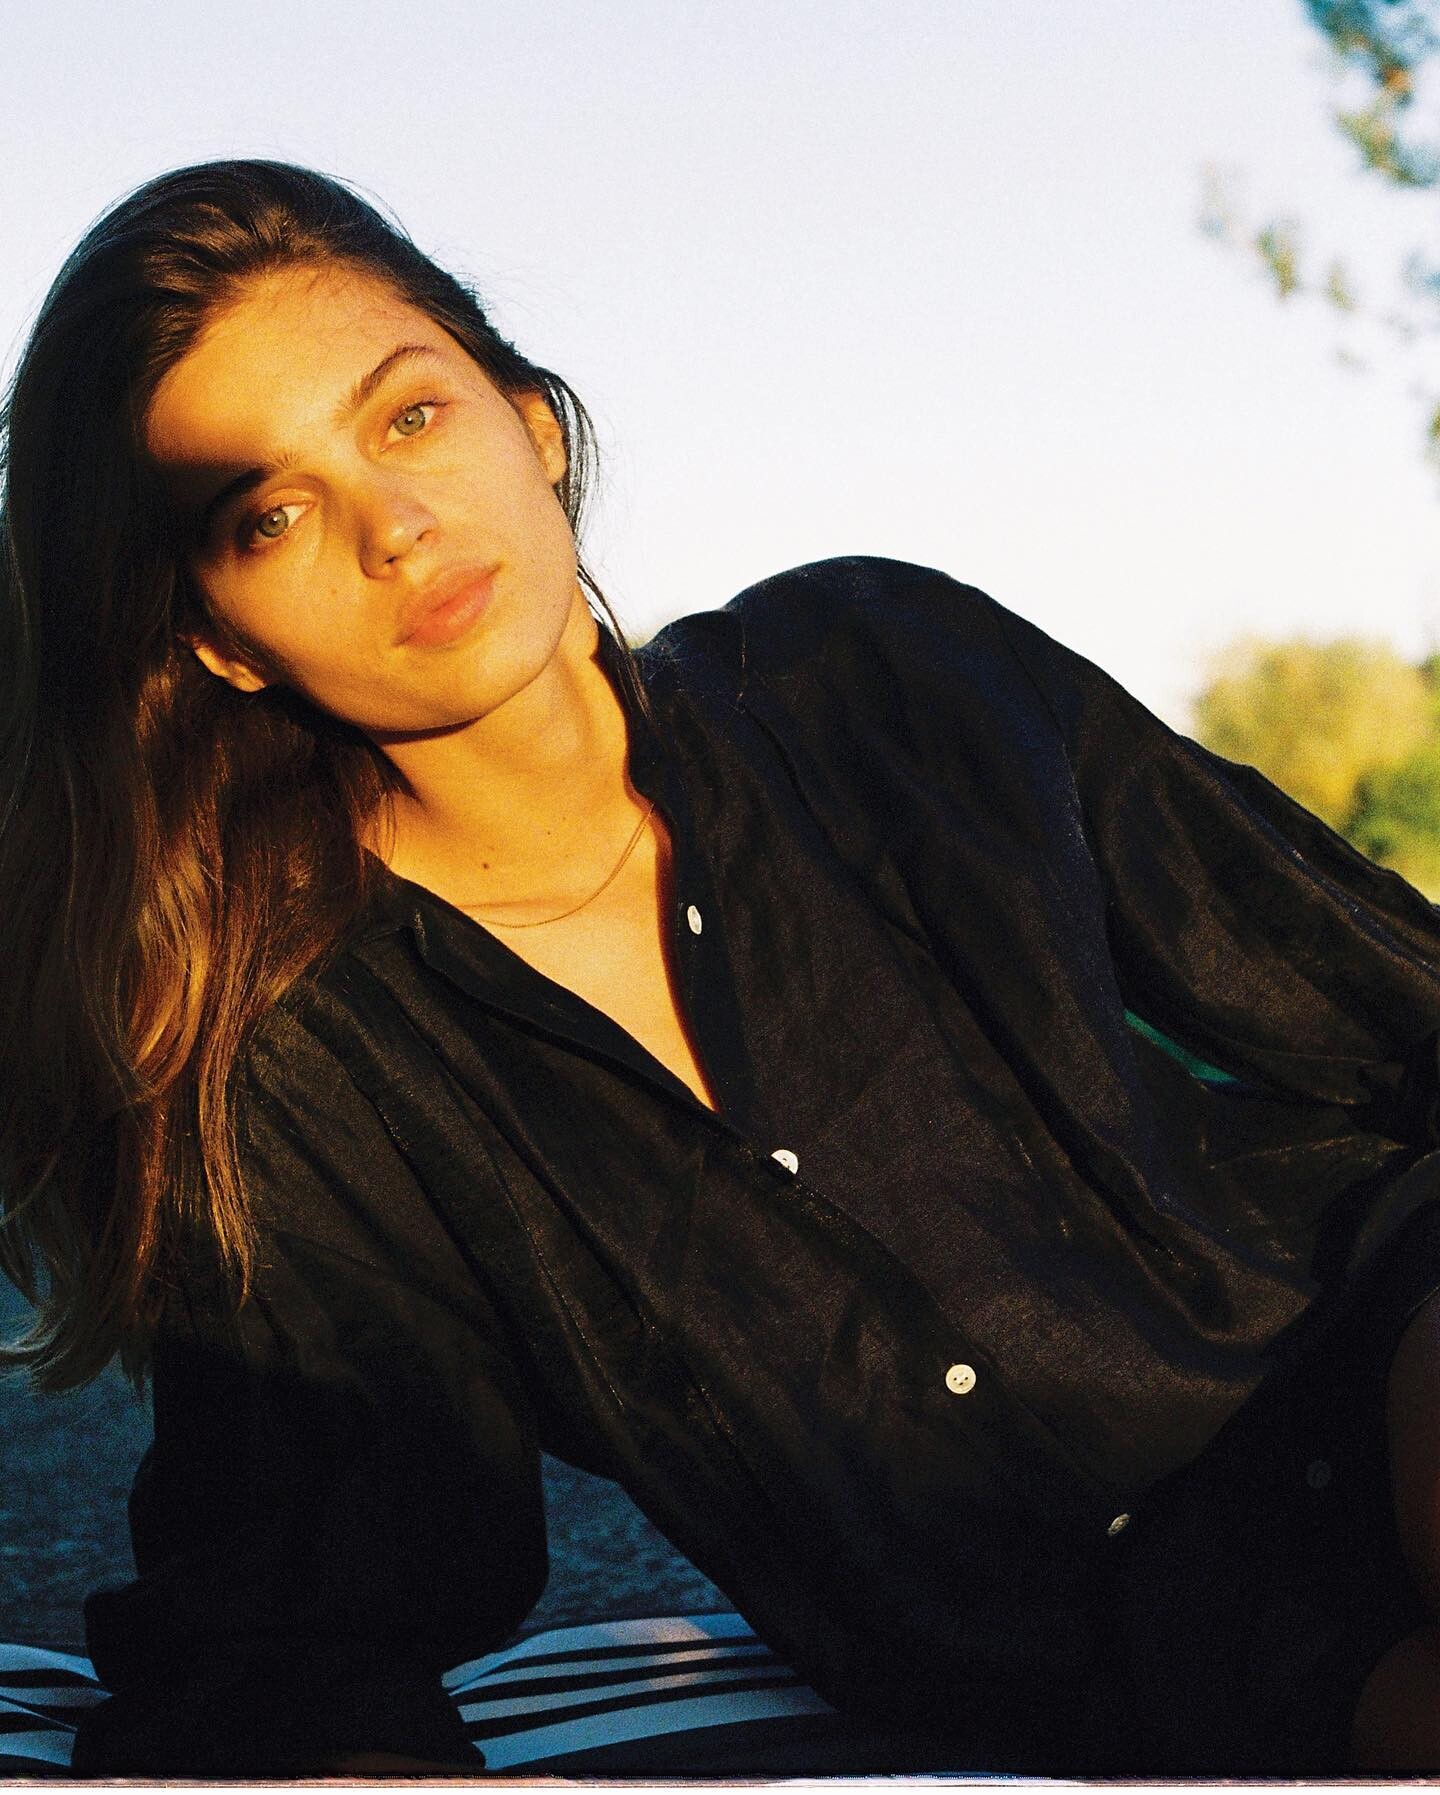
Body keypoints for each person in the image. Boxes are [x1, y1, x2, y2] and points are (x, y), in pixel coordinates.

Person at [0, 158, 1437, 1779]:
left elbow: (1364, 985)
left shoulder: (877, 672)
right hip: (1147, 1640)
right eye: (269, 516)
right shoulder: (314, 1058)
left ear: (530, 421)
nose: (394, 529)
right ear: (217, 636)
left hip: (1370, 1330)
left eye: (409, 417)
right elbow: (303, 1605)